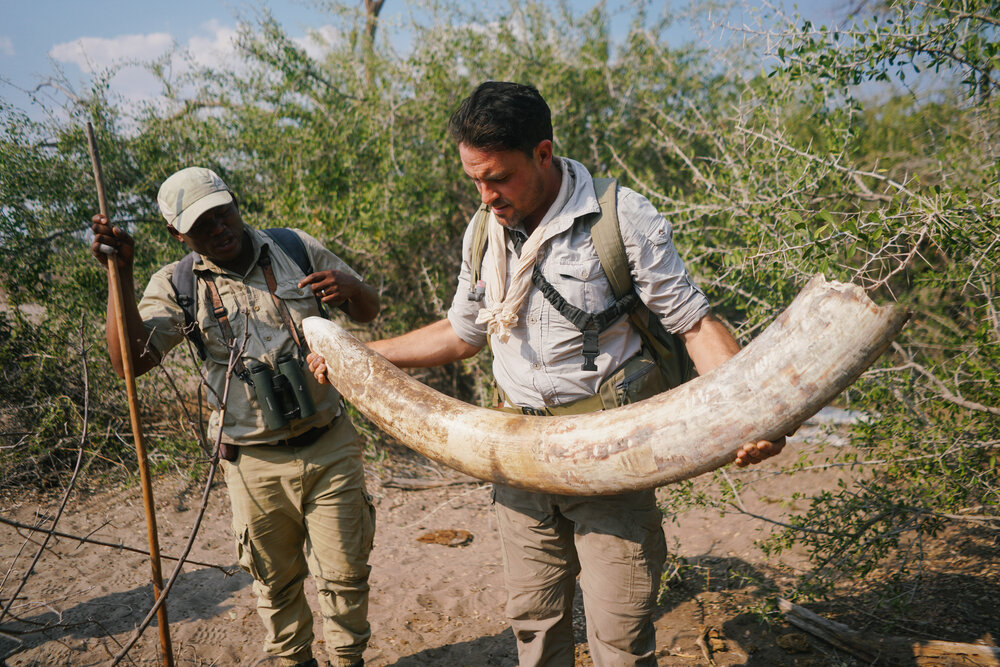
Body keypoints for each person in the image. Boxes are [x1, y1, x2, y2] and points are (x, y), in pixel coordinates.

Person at [309, 81, 786, 666]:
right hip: (516, 453)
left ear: (543, 153)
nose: (486, 195)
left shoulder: (621, 217)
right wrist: (362, 355)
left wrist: (755, 416)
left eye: (498, 178)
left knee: (620, 631)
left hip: (611, 452)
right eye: (475, 181)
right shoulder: (484, 231)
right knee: (534, 623)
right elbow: (463, 334)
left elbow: (694, 324)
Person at [92, 166, 379, 667]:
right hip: (252, 462)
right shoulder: (178, 283)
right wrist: (121, 275)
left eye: (222, 214)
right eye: (202, 225)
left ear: (235, 203)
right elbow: (129, 363)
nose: (219, 229)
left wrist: (351, 287)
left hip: (331, 443)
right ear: (177, 234)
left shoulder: (294, 248)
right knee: (276, 583)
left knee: (345, 576)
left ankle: (348, 660)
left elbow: (367, 310)